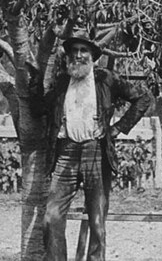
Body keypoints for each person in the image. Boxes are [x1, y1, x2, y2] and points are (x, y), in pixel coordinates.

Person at [31, 29, 153, 261]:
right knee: (51, 217)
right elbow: (39, 109)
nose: (78, 55)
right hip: (65, 153)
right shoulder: (62, 82)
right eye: (74, 51)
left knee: (97, 222)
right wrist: (34, 80)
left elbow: (143, 98)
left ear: (92, 56)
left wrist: (118, 128)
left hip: (95, 152)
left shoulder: (105, 78)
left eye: (83, 50)